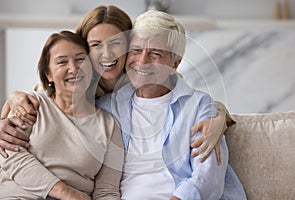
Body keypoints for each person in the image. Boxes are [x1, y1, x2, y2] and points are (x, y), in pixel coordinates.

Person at [0, 5, 229, 163]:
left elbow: (193, 100)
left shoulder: (145, 78)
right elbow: (34, 98)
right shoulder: (72, 85)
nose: (106, 54)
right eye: (96, 45)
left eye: (116, 43)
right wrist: (12, 100)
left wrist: (218, 119)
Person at [97, 10, 246, 199]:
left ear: (175, 63)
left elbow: (208, 178)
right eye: (135, 50)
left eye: (155, 54)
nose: (142, 61)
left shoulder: (199, 106)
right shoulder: (108, 107)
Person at [0, 31, 124, 199]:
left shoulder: (109, 126)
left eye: (80, 59)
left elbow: (107, 191)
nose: (73, 68)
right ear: (48, 74)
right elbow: (10, 157)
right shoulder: (29, 104)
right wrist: (66, 193)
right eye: (62, 62)